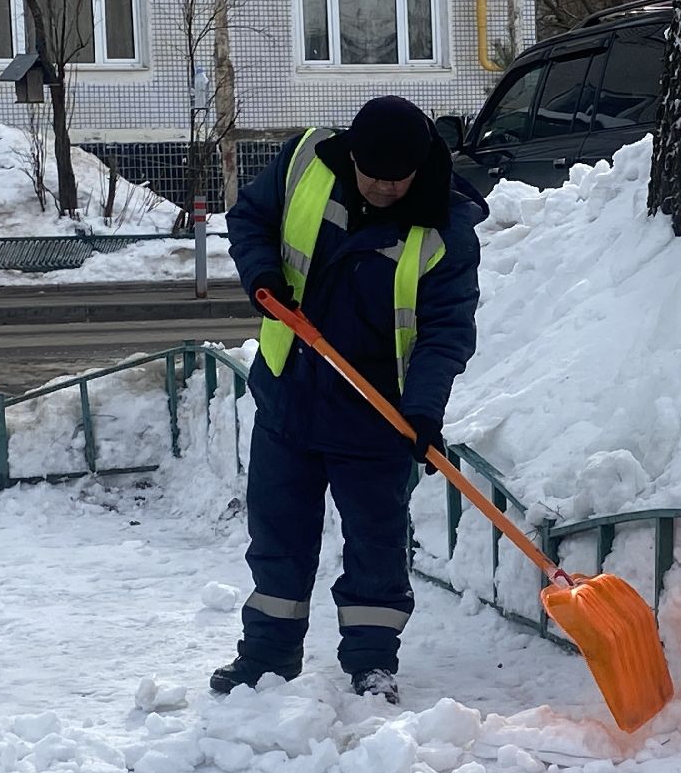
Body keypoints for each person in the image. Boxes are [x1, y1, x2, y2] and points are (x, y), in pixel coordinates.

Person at [209, 95, 488, 704]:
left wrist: (422, 411)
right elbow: (249, 220)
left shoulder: (446, 230)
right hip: (291, 396)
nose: (384, 188)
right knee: (277, 540)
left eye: (398, 178)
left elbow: (445, 333)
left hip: (376, 416)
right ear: (351, 156)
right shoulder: (305, 162)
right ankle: (266, 657)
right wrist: (262, 275)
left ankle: (371, 665)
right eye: (371, 175)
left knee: (377, 547)